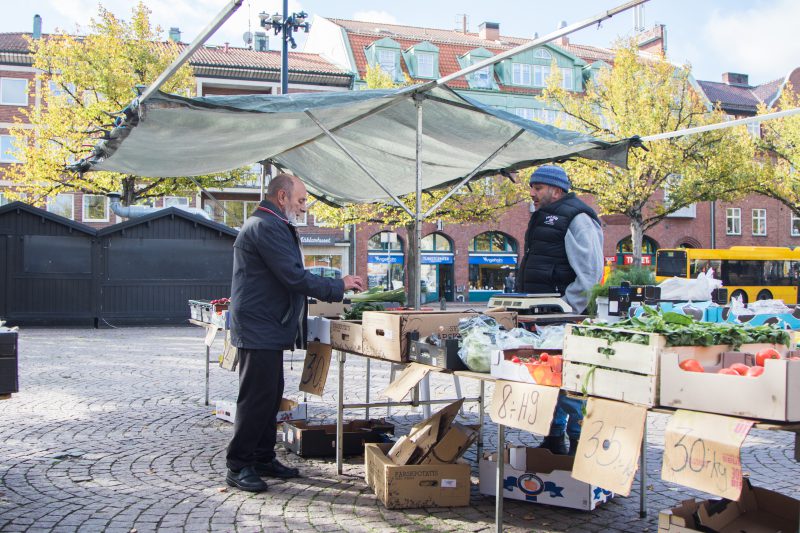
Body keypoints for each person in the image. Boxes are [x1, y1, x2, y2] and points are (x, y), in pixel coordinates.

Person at [225, 173, 364, 492]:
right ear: (281, 197)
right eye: (300, 201)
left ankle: (261, 457)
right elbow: (293, 277)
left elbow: (291, 276)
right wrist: (338, 285)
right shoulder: (265, 226)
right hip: (259, 325)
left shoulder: (271, 224)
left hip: (265, 324)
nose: (304, 207)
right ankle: (238, 464)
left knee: (270, 395)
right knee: (256, 398)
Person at [518, 165, 603, 455]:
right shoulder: (542, 217)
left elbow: (590, 273)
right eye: (532, 187)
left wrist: (568, 308)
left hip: (563, 316)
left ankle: (580, 440)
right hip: (542, 315)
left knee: (566, 380)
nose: (532, 193)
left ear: (557, 190)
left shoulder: (577, 218)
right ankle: (554, 437)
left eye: (538, 188)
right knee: (548, 379)